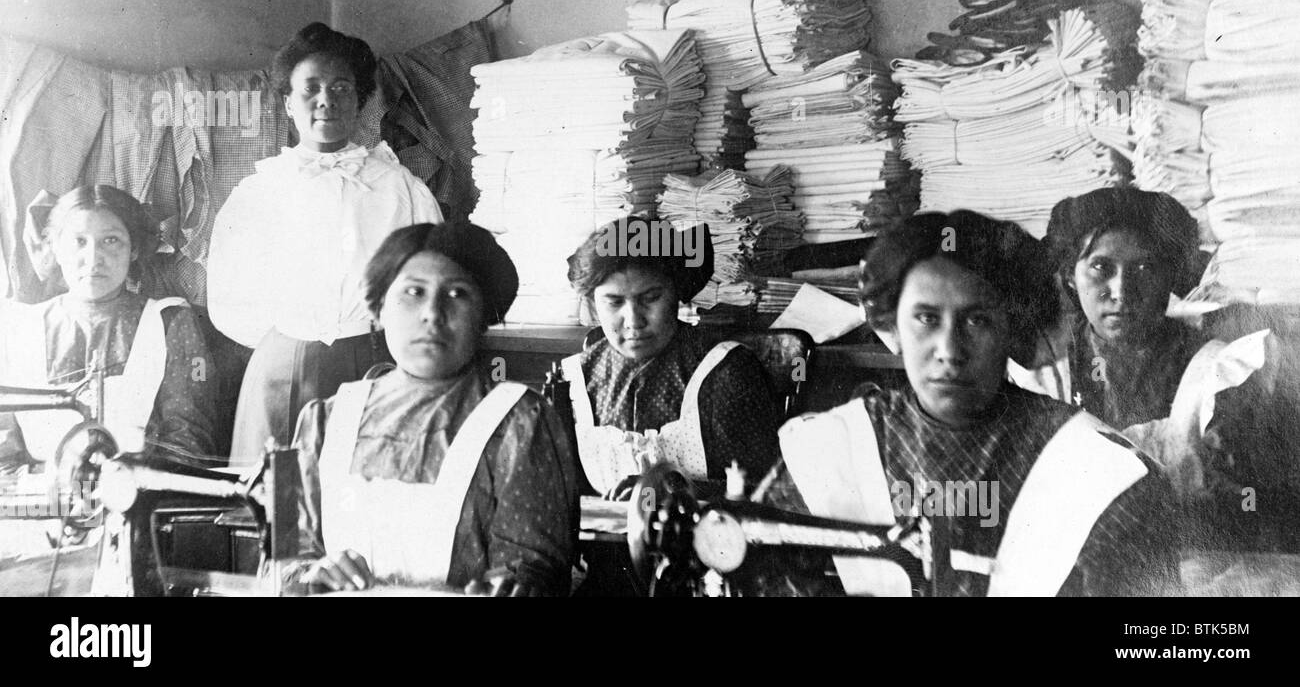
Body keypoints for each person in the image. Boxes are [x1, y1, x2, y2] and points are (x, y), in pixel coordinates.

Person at [746, 210, 1181, 596]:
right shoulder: (832, 450)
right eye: (926, 319)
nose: (949, 349)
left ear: (1013, 331)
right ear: (890, 327)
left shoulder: (1097, 470)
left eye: (977, 320)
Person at [286, 222, 579, 596]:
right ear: (378, 309)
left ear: (486, 314)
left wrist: (511, 587)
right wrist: (313, 574)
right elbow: (287, 558)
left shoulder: (521, 424)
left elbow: (533, 570)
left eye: (457, 294)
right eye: (413, 292)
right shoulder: (325, 421)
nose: (432, 313)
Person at [208, 23, 443, 466]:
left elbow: (430, 281)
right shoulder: (258, 193)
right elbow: (229, 296)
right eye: (310, 88)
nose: (325, 100)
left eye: (341, 87)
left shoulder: (400, 187)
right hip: (281, 368)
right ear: (287, 103)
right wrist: (295, 336)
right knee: (279, 509)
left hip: (376, 366)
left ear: (360, 100)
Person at [0, 185, 218, 472]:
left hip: (140, 499)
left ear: (134, 249)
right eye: (79, 241)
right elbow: (4, 457)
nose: (93, 258)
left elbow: (188, 443)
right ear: (55, 247)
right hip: (44, 503)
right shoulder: (19, 331)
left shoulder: (172, 323)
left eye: (111, 240)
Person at [563, 216, 782, 497]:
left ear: (676, 291)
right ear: (593, 305)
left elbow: (765, 491)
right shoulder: (577, 378)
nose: (633, 321)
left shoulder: (726, 371)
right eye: (615, 302)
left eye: (651, 297)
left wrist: (672, 490)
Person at [1009, 187, 1206, 430]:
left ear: (1168, 275)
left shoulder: (1206, 365)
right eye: (1101, 267)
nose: (1121, 292)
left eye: (1144, 268)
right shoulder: (1047, 373)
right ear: (1070, 274)